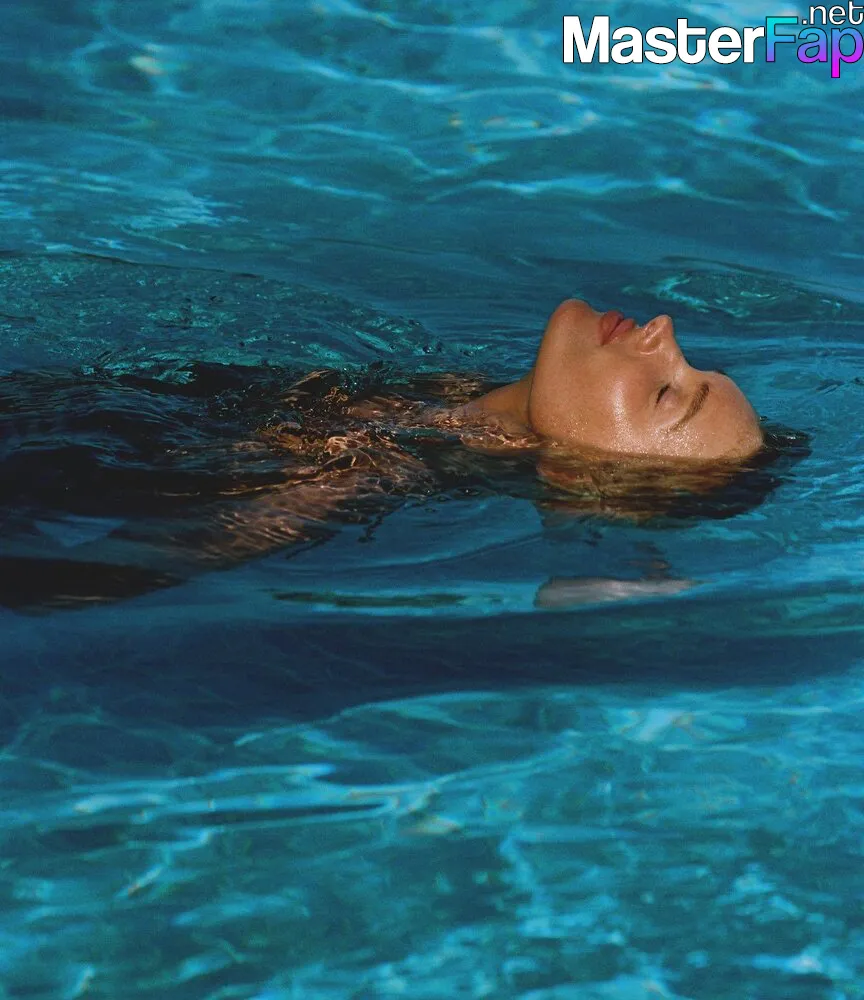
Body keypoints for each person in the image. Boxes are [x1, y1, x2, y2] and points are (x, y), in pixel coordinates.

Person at [0, 298, 798, 610]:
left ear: (577, 473)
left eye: (666, 393)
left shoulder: (364, 468)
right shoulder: (445, 394)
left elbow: (117, 572)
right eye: (693, 363)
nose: (664, 332)